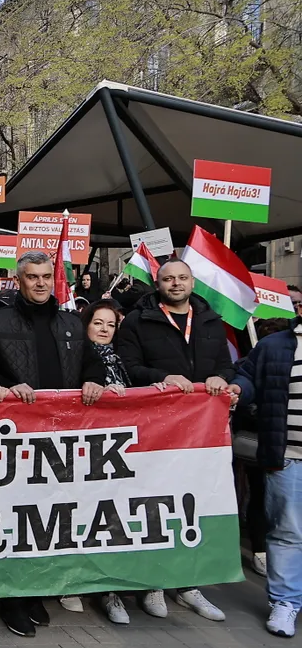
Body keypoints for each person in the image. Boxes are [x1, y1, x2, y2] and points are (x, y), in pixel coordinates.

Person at [0, 250, 103, 638]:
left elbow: (89, 361)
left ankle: (33, 589)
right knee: (13, 515)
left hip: (60, 436)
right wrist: (7, 385)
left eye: (47, 276)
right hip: (15, 437)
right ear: (19, 280)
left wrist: (94, 379)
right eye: (33, 277)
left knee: (45, 517)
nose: (41, 283)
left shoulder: (71, 323)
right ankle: (9, 595)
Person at [114, 259, 236, 623]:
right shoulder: (138, 320)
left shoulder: (212, 321)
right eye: (169, 278)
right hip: (155, 429)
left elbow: (228, 367)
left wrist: (220, 379)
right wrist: (162, 377)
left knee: (194, 505)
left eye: (182, 278)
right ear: (158, 282)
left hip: (200, 434)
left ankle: (188, 583)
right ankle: (154, 583)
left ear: (192, 281)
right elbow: (127, 366)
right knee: (157, 504)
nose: (176, 283)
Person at [58, 299, 134, 625]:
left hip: (116, 454)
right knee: (76, 515)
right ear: (85, 324)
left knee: (109, 518)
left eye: (110, 325)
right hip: (82, 450)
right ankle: (71, 584)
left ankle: (109, 590)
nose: (103, 330)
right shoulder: (73, 355)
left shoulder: (122, 361)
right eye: (97, 323)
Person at [230, 313, 302, 637]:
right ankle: (285, 603)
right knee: (287, 533)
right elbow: (247, 379)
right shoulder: (273, 346)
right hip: (288, 457)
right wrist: (236, 389)